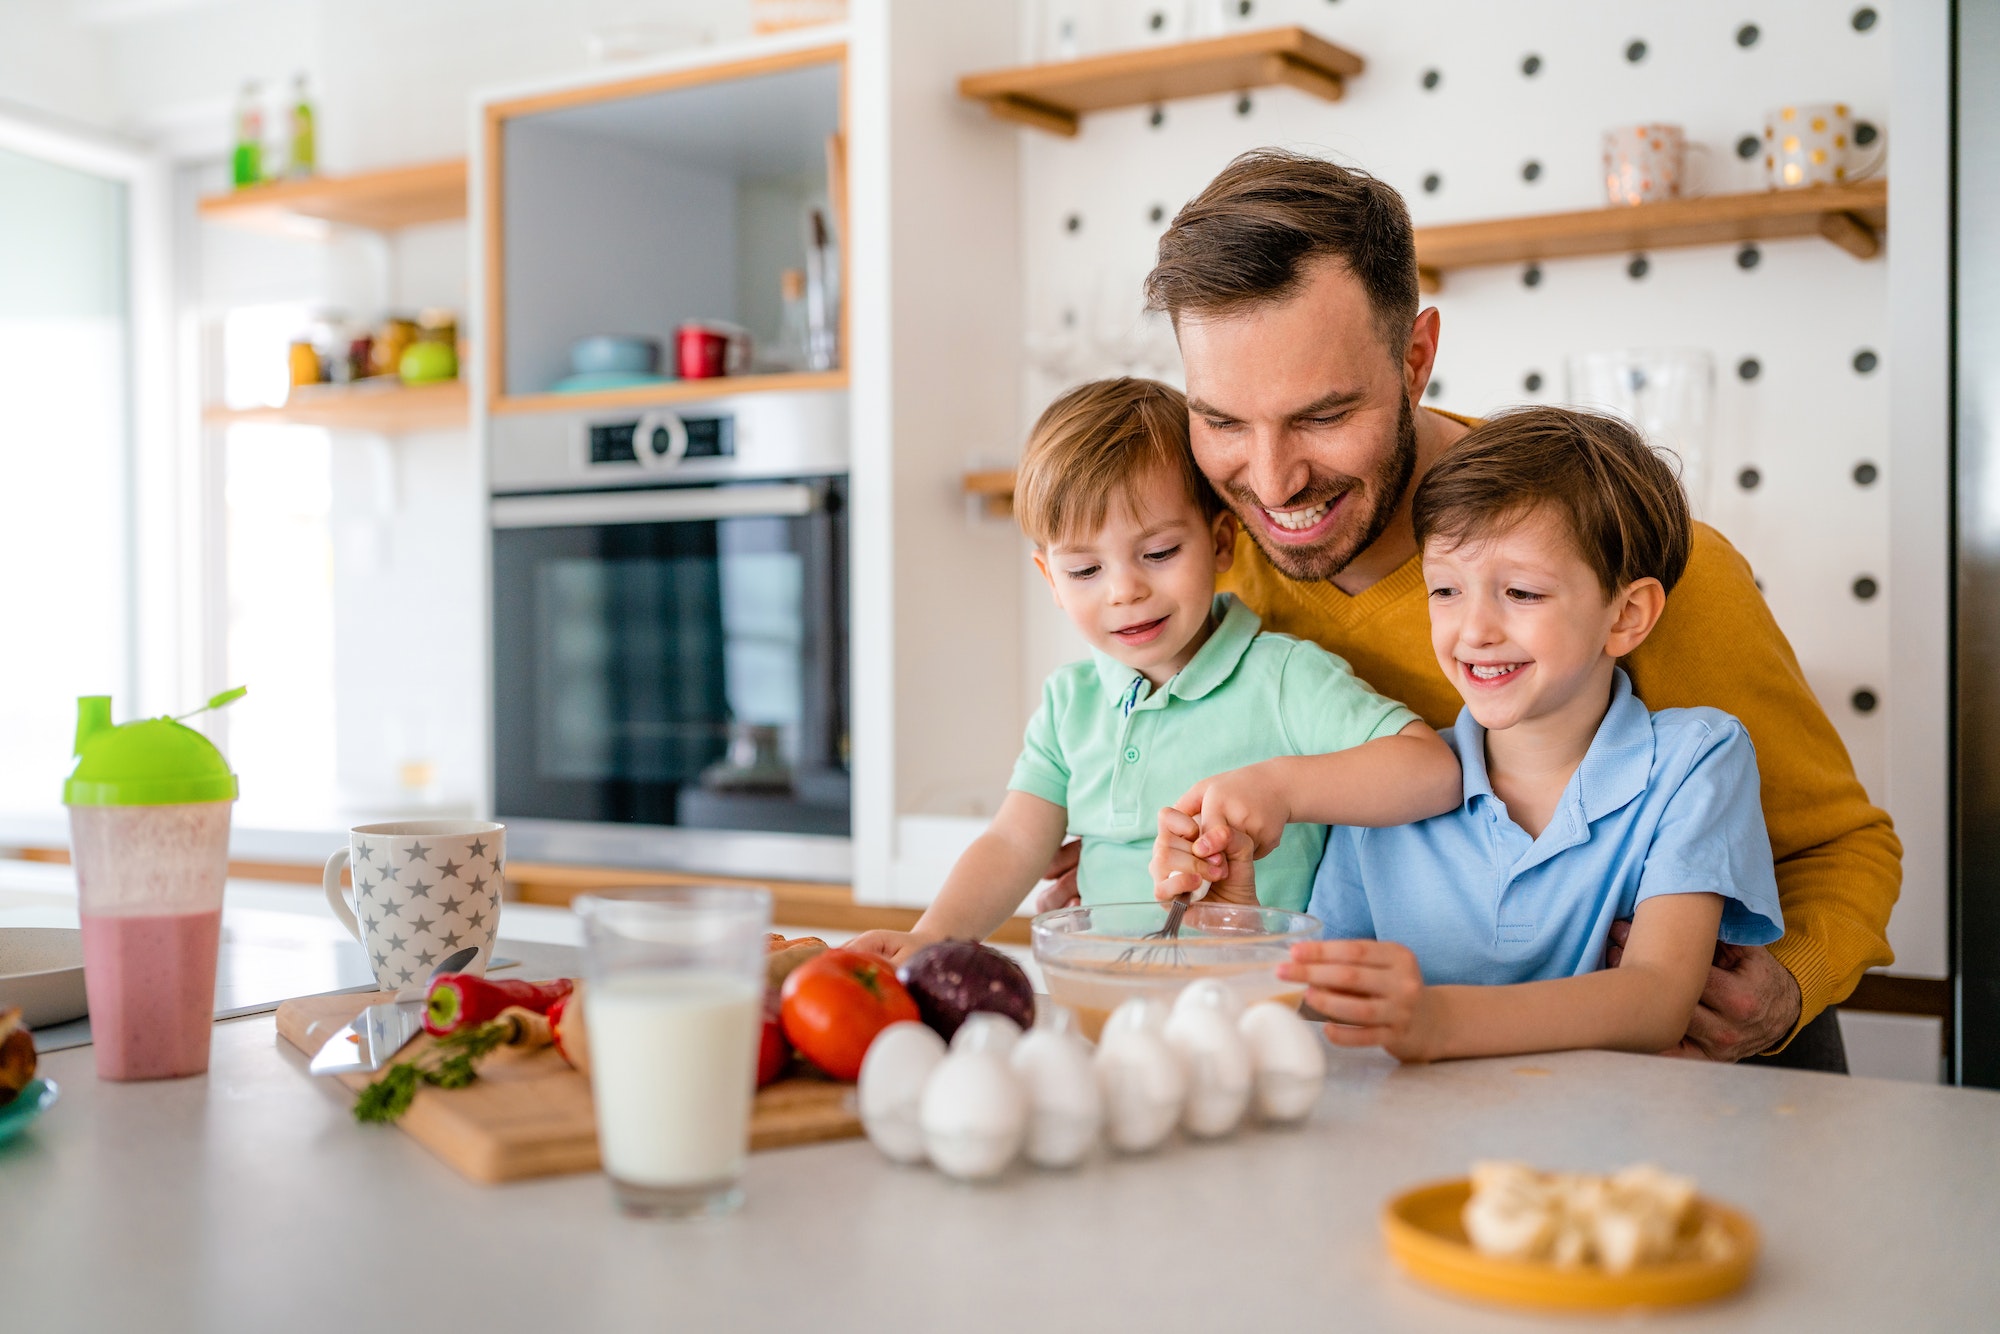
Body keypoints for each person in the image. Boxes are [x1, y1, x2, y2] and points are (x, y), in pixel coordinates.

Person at [1045, 149, 1898, 1069]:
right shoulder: (1209, 569)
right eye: (1220, 421)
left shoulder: (1628, 564)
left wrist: (1791, 982)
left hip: (1689, 1088)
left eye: (1323, 416)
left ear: (1415, 359)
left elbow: (1842, 846)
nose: (1273, 477)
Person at [1152, 408, 1784, 1060]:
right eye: (1446, 590)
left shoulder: (1694, 760)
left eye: (1521, 592)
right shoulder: (1387, 793)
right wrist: (1236, 922)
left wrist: (1438, 1019)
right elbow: (1325, 999)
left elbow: (1656, 1000)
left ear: (1626, 616)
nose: (1474, 630)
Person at [848, 377, 1461, 964]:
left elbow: (1433, 773)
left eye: (1160, 553)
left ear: (1222, 543)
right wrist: (932, 937)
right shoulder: (1070, 704)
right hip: (1109, 1000)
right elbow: (1013, 842)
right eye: (1085, 571)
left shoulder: (1284, 676)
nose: (1125, 591)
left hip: (1260, 1009)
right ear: (1051, 582)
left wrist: (1283, 788)